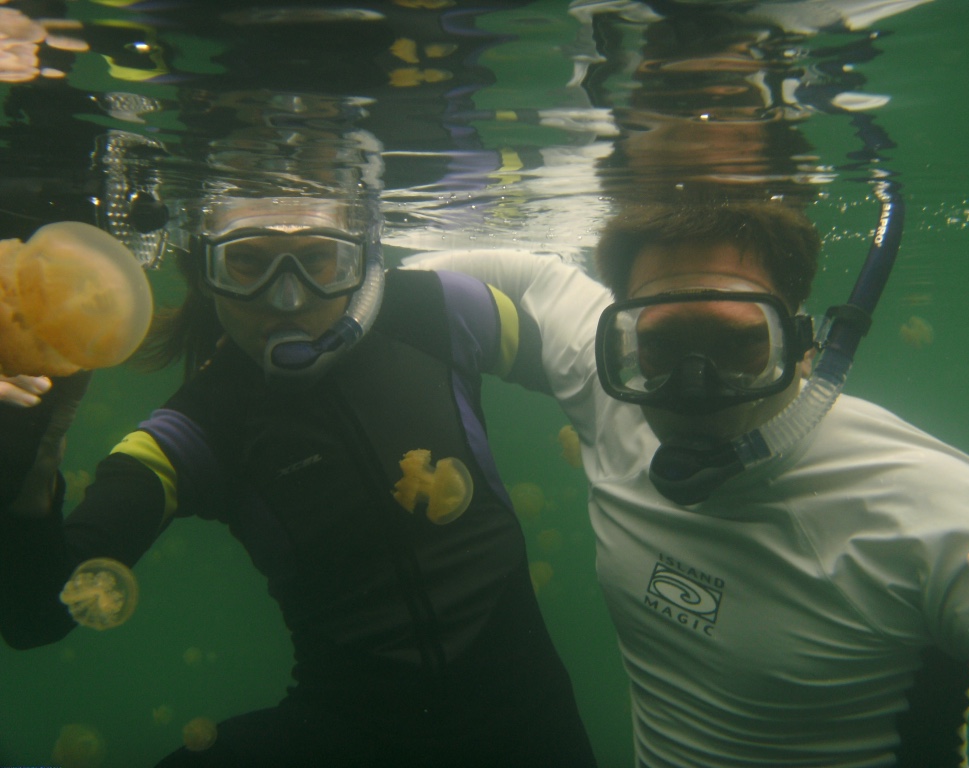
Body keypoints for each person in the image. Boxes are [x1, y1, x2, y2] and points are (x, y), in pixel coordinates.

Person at [405, 198, 969, 767]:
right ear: (623, 342)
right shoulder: (613, 395)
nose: (693, 387)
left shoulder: (926, 501)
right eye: (662, 345)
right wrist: (364, 294)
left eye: (739, 343)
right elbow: (529, 278)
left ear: (804, 346)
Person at [0, 187, 598, 767]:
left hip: (535, 731)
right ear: (206, 271)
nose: (287, 300)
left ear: (360, 255)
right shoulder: (193, 431)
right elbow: (36, 617)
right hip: (351, 732)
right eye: (246, 263)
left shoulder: (442, 311)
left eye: (317, 260)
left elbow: (601, 386)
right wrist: (35, 461)